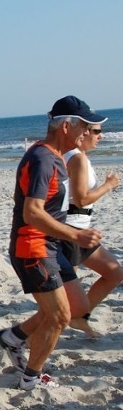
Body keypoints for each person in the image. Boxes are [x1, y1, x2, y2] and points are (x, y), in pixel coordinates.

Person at [0, 95, 104, 391]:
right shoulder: (43, 158)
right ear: (66, 125)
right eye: (85, 125)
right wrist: (76, 235)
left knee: (61, 309)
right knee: (60, 316)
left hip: (50, 247)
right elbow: (32, 212)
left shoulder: (54, 156)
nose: (88, 131)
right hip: (33, 248)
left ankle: (13, 338)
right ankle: (31, 378)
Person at [60, 113, 122, 335]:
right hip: (72, 230)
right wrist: (109, 186)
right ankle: (21, 336)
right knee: (62, 298)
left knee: (114, 273)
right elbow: (81, 198)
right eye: (96, 131)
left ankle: (79, 317)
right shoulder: (76, 158)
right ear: (83, 132)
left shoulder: (77, 156)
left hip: (78, 228)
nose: (100, 136)